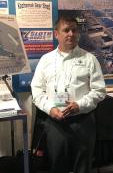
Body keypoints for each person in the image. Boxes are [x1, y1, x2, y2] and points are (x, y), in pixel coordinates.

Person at [31, 16, 106, 173]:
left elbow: (99, 91)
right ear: (56, 34)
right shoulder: (46, 60)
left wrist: (79, 105)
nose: (71, 34)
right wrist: (50, 108)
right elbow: (37, 90)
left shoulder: (90, 59)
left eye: (74, 30)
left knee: (83, 167)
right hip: (55, 124)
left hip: (83, 123)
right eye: (66, 30)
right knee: (57, 166)